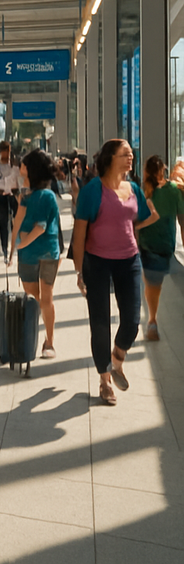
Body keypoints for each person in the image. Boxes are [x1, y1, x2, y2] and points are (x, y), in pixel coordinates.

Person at [72, 139, 159, 406]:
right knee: (99, 323)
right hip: (97, 261)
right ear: (110, 158)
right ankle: (104, 381)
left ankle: (117, 358)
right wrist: (79, 270)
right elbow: (79, 234)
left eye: (132, 154)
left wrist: (132, 229)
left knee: (132, 322)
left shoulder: (133, 188)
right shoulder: (91, 191)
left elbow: (145, 214)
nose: (131, 158)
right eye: (125, 154)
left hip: (129, 260)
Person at [10, 149, 62, 358]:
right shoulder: (26, 194)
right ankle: (40, 338)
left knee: (43, 298)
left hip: (44, 252)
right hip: (33, 252)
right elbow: (18, 218)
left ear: (31, 169)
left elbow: (40, 227)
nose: (20, 168)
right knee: (34, 298)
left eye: (23, 165)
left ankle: (49, 341)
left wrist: (20, 244)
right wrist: (11, 246)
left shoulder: (46, 195)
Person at [139, 155, 184, 341]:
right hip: (165, 244)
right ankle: (152, 321)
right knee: (155, 285)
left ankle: (152, 320)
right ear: (163, 170)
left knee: (152, 285)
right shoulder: (174, 190)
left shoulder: (144, 190)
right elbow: (182, 221)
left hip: (147, 244)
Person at [0, 141, 20, 265]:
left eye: (9, 151)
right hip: (0, 198)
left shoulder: (14, 162)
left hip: (13, 196)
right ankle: (5, 250)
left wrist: (6, 183)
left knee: (16, 221)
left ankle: (14, 247)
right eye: (6, 151)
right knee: (3, 222)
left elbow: (16, 178)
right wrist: (8, 182)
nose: (8, 154)